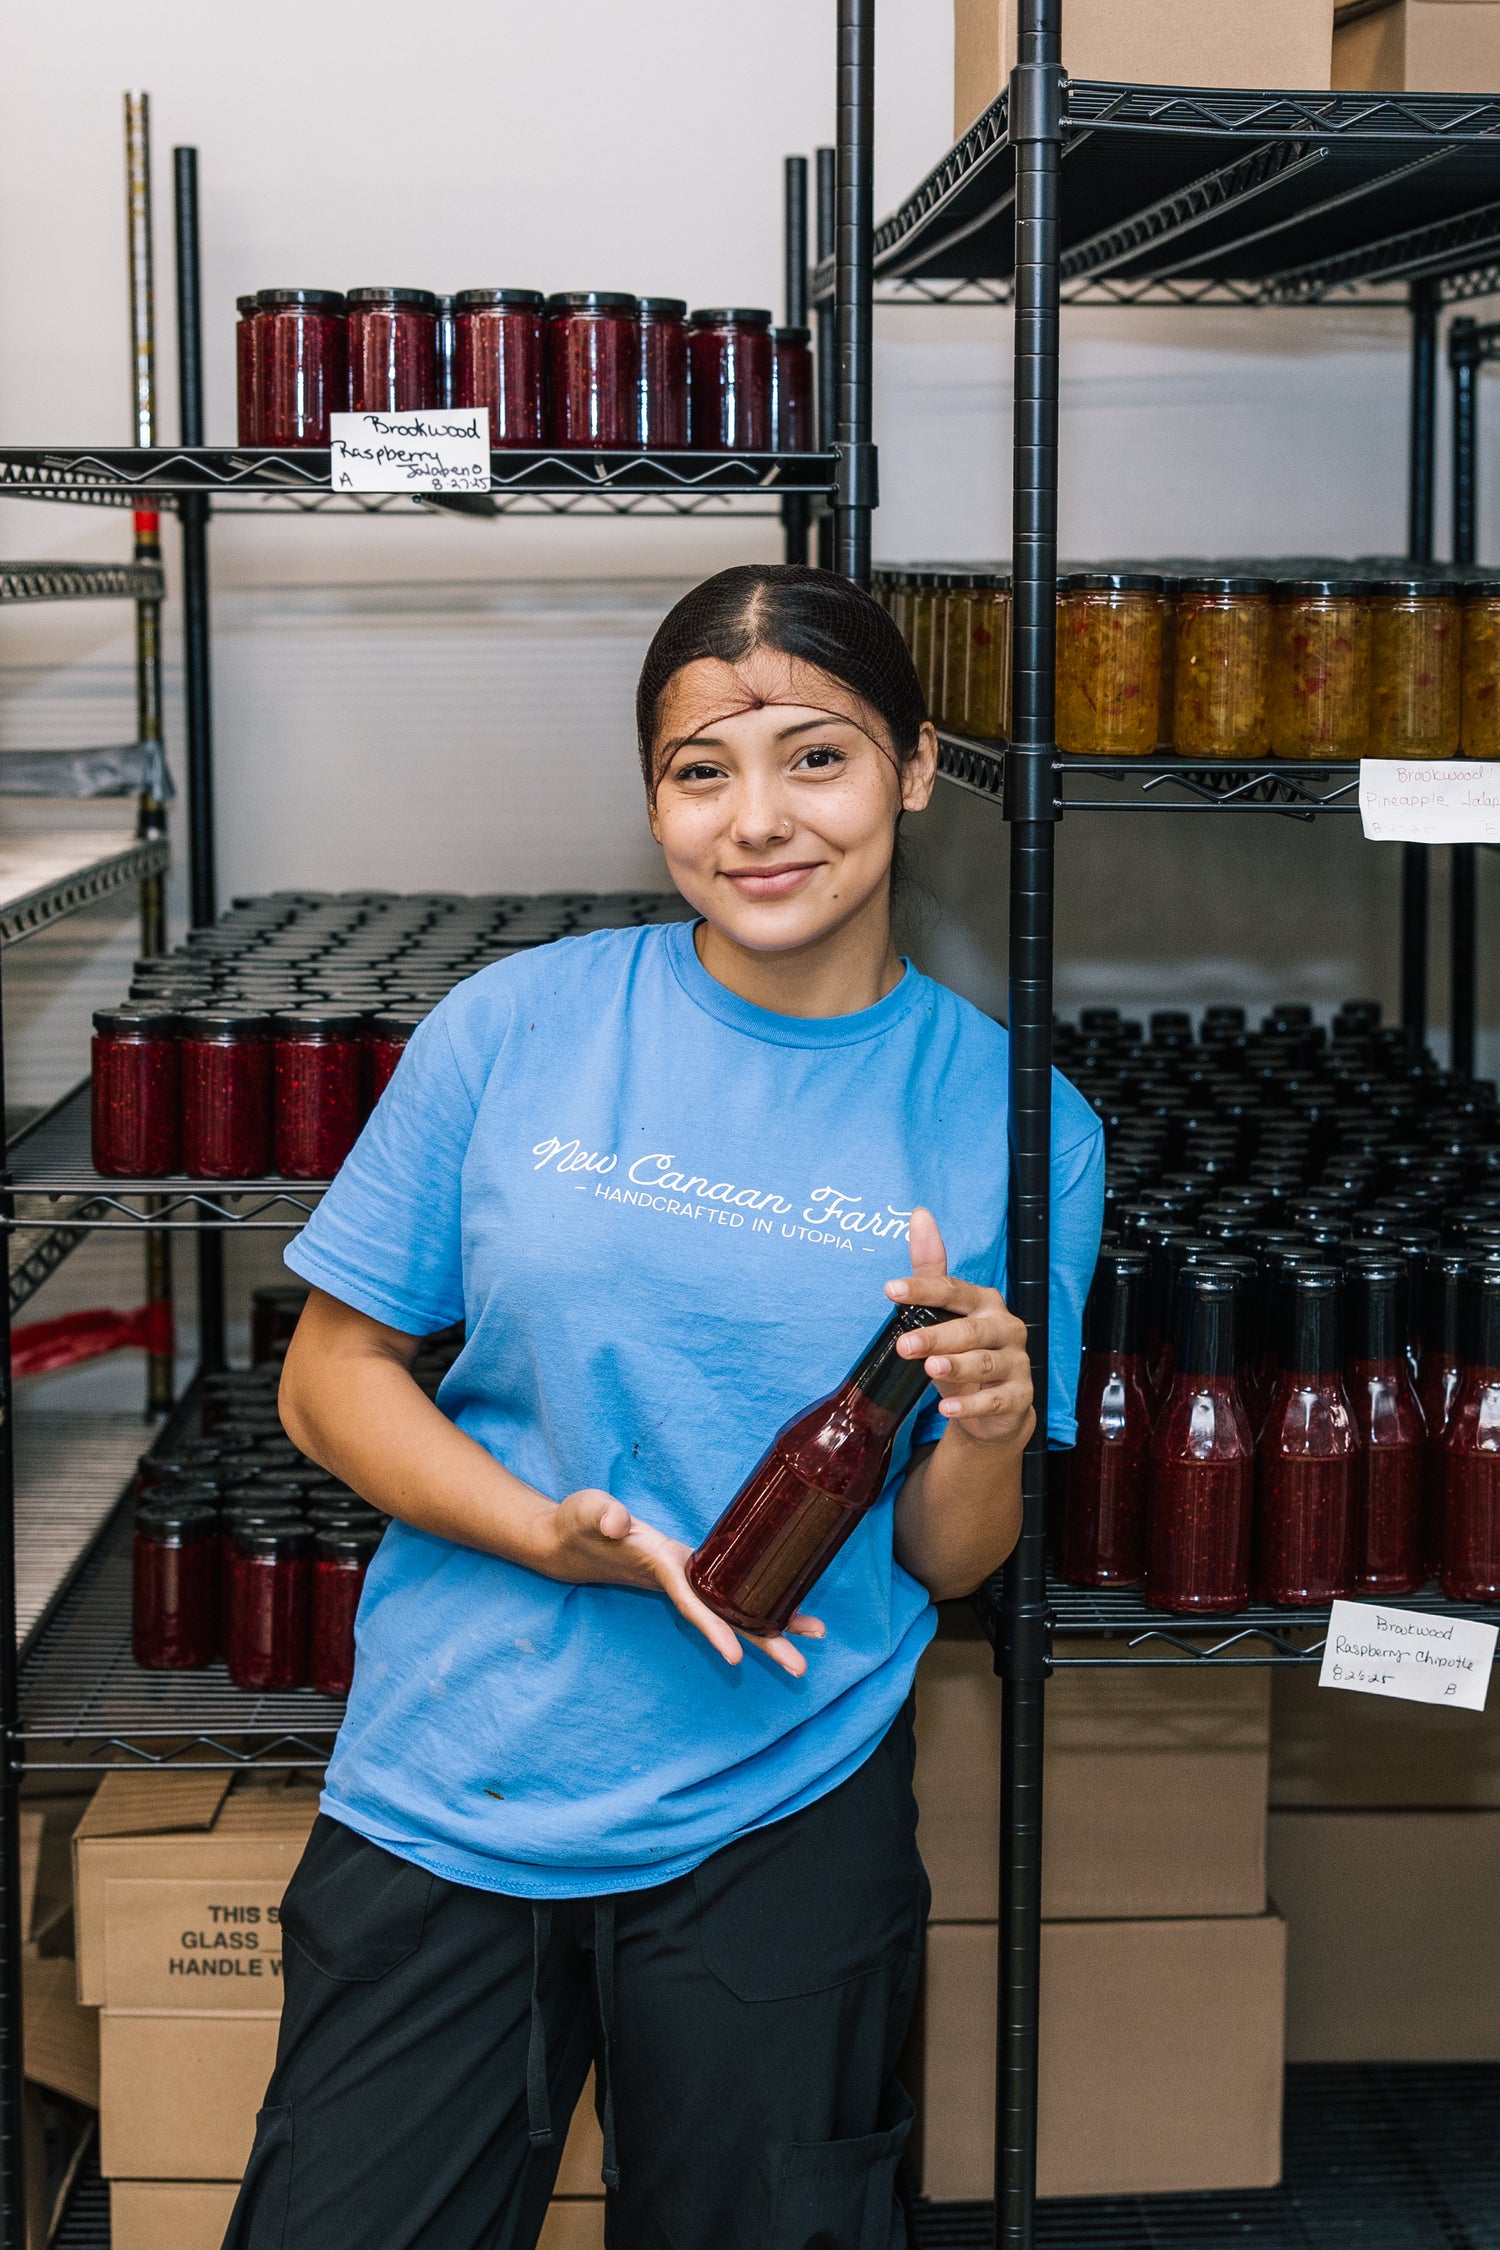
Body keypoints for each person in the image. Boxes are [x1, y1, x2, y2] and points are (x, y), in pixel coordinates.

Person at [223, 564, 1103, 2250]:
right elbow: (329, 1380)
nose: (758, 819)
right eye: (703, 770)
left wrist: (990, 1425)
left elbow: (945, 1559)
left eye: (816, 757)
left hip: (785, 1791)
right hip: (460, 1774)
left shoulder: (1018, 1123)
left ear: (918, 766)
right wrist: (546, 1535)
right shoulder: (513, 1029)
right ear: (653, 800)